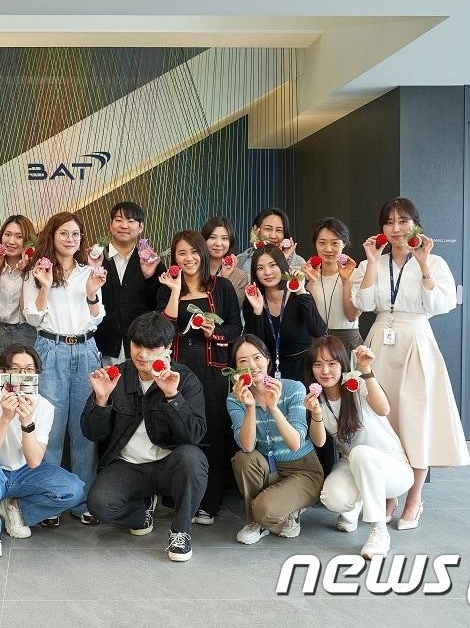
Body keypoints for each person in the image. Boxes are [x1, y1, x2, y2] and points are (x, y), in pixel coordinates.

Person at [351, 197, 470, 529]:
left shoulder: (435, 262)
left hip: (416, 341)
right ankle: (389, 494)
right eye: (389, 222)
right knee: (382, 423)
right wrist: (371, 262)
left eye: (403, 221)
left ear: (416, 225)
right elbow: (362, 302)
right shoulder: (371, 262)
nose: (396, 228)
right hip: (378, 342)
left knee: (416, 421)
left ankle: (415, 498)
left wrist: (424, 264)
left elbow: (440, 303)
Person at [82, 312, 207, 562]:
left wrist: (172, 397)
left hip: (170, 464)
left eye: (151, 348)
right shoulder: (116, 375)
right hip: (128, 466)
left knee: (193, 459)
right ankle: (141, 513)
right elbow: (92, 433)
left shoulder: (185, 379)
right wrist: (101, 400)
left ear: (168, 347)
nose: (142, 354)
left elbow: (194, 434)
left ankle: (180, 531)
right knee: (99, 504)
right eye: (137, 345)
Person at [0, 345, 86, 558]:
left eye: (28, 370)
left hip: (22, 472)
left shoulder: (44, 407)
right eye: (15, 369)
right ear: (2, 372)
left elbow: (34, 461)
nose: (22, 375)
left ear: (36, 373)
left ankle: (15, 509)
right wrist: (5, 417)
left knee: (74, 489)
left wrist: (27, 422)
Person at [23, 212, 107, 526]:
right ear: (52, 235)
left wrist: (91, 293)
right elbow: (32, 317)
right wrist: (44, 287)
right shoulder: (37, 271)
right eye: (63, 233)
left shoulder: (89, 272)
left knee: (84, 431)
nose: (70, 239)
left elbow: (97, 317)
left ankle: (82, 501)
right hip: (50, 349)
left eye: (75, 234)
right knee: (50, 429)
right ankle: (50, 501)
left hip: (86, 349)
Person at [157, 230, 241, 525]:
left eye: (193, 252)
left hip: (213, 368)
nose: (188, 258)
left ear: (203, 254)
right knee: (180, 430)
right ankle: (181, 502)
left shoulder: (222, 287)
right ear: (174, 257)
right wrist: (174, 290)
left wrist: (215, 332)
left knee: (213, 433)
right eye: (181, 253)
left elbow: (235, 328)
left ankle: (209, 503)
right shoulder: (167, 286)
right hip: (178, 370)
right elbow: (163, 331)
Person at [304, 337, 413, 558]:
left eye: (332, 363)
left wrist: (366, 370)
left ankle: (379, 531)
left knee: (361, 453)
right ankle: (356, 503)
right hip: (352, 465)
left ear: (343, 364)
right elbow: (319, 442)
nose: (325, 371)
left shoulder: (357, 385)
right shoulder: (318, 399)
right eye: (318, 364)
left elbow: (383, 409)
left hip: (392, 468)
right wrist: (316, 413)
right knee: (332, 498)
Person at [228, 334, 323, 544]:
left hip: (303, 471)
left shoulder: (293, 388)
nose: (252, 366)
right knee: (243, 459)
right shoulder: (235, 398)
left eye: (257, 358)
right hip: (270, 470)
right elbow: (247, 446)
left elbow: (296, 443)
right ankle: (258, 521)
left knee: (265, 510)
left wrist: (273, 407)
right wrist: (250, 406)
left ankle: (277, 512)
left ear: (268, 359)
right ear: (236, 368)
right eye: (243, 361)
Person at [93, 202, 165, 365]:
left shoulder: (152, 261)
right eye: (118, 220)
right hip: (101, 346)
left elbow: (160, 304)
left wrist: (149, 277)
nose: (124, 225)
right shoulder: (95, 258)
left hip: (141, 347)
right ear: (110, 225)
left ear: (141, 227)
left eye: (131, 221)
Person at [242, 245, 327, 384]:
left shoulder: (299, 296)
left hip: (303, 370)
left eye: (273, 265)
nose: (267, 272)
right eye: (260, 268)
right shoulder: (252, 301)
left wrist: (301, 291)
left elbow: (319, 331)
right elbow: (254, 346)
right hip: (268, 373)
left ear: (282, 266)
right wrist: (258, 312)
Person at [0, 215, 38, 382]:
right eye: (7, 234)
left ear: (28, 241)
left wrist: (26, 272)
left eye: (19, 236)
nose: (11, 241)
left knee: (24, 386)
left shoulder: (36, 270)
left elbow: (27, 308)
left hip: (24, 332)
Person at [300, 217, 362, 351]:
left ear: (343, 244)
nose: (328, 249)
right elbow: (313, 319)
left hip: (347, 342)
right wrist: (313, 282)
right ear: (316, 244)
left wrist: (346, 281)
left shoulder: (356, 274)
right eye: (322, 243)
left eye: (335, 243)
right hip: (318, 342)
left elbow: (351, 316)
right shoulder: (310, 278)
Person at [234, 207, 306, 274]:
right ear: (256, 230)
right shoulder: (240, 260)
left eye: (279, 230)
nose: (273, 236)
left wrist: (281, 261)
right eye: (268, 229)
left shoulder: (298, 262)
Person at [201, 216, 251, 308]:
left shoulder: (240, 277)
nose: (218, 243)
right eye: (212, 237)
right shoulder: (194, 270)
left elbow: (232, 309)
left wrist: (224, 280)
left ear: (230, 242)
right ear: (204, 240)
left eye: (224, 238)